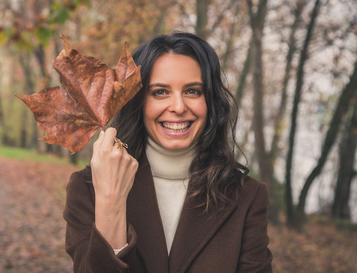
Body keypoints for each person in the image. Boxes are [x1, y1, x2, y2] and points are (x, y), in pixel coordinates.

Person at [63, 32, 272, 272]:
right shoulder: (87, 188)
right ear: (138, 101)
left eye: (192, 91)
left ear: (211, 101)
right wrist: (111, 202)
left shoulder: (247, 196)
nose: (179, 107)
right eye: (160, 92)